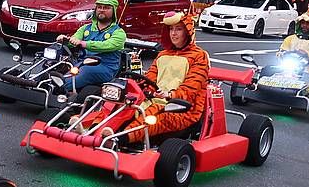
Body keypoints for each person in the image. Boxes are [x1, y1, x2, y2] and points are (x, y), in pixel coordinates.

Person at [71, 11, 210, 144]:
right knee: (120, 101)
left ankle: (120, 138)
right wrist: (142, 87)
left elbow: (192, 87)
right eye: (171, 29)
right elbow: (150, 77)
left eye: (178, 29)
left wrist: (170, 94)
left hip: (181, 106)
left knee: (151, 111)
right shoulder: (163, 55)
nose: (173, 33)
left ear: (188, 31)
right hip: (156, 98)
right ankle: (92, 129)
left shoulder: (199, 56)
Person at [55, 0, 127, 93]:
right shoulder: (85, 28)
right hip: (82, 63)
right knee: (56, 63)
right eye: (99, 7)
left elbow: (106, 46)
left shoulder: (119, 33)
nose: (102, 10)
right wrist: (65, 40)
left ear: (114, 11)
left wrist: (84, 43)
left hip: (105, 68)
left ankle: (59, 89)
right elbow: (74, 40)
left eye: (106, 8)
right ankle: (39, 83)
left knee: (86, 71)